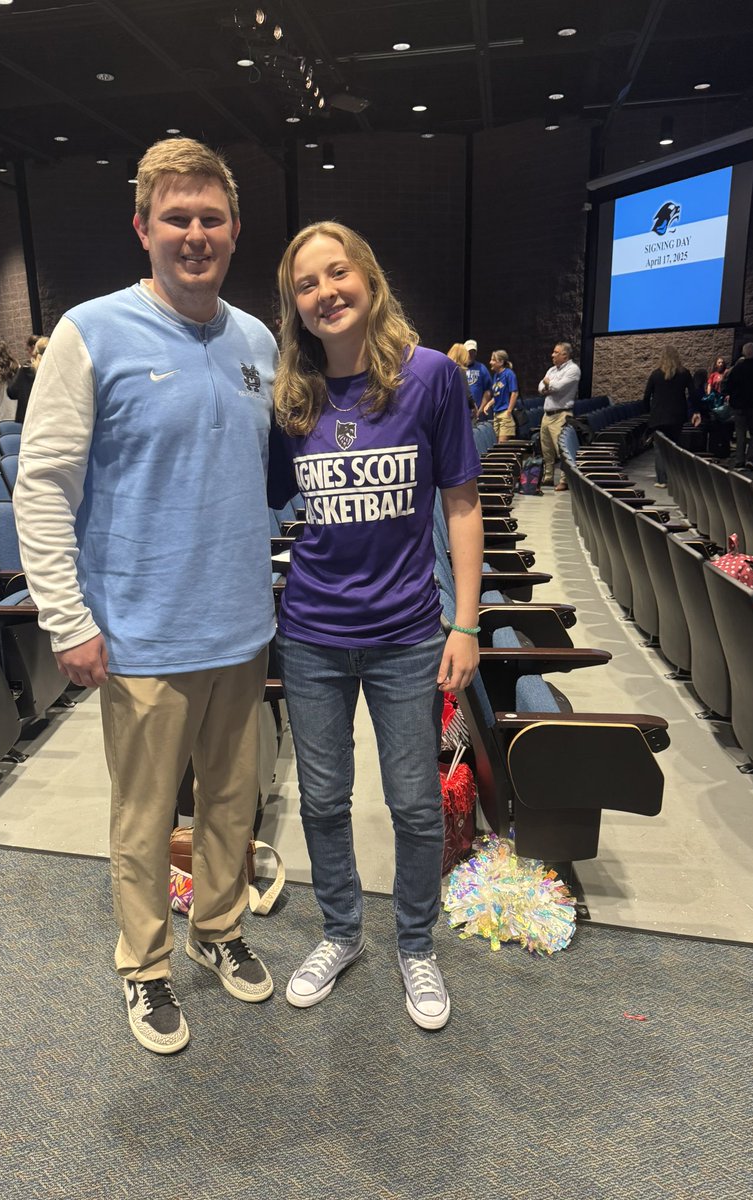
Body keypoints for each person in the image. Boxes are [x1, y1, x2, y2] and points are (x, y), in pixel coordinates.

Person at [13, 136, 279, 1055]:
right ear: (143, 229)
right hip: (140, 633)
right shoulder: (91, 332)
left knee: (233, 804)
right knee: (144, 816)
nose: (194, 234)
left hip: (241, 627)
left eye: (211, 218)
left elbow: (262, 479)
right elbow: (42, 486)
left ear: (234, 230)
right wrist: (67, 619)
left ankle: (219, 929)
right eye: (176, 218)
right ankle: (147, 964)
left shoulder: (257, 341)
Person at [269, 221, 483, 1030]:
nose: (325, 292)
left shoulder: (431, 377)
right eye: (306, 284)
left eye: (337, 273)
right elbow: (253, 494)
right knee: (323, 800)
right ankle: (340, 932)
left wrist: (466, 622)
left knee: (415, 804)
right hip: (312, 633)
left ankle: (416, 945)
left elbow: (462, 506)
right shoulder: (293, 397)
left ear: (369, 277)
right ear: (294, 304)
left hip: (408, 634)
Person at [643, 346, 699, 487]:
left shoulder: (655, 374)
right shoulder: (684, 374)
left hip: (658, 416)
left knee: (659, 448)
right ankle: (673, 477)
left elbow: (646, 397)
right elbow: (693, 394)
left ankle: (662, 479)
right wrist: (696, 411)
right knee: (673, 446)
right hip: (677, 416)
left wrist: (649, 412)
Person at [538, 341, 581, 491]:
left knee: (561, 450)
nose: (552, 355)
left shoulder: (573, 369)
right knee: (546, 449)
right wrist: (547, 386)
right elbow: (540, 387)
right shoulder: (551, 370)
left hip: (561, 415)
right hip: (547, 415)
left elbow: (558, 387)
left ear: (565, 355)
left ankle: (564, 480)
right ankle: (548, 477)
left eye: (556, 352)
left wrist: (548, 385)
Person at [724, 342, 753, 471]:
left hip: (739, 404)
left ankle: (739, 460)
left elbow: (728, 385)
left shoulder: (737, 368)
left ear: (743, 353)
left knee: (740, 433)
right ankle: (751, 458)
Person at [7, 335, 48, 424]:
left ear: (33, 348)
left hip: (29, 418)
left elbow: (11, 392)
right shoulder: (54, 369)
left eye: (27, 349)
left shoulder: (25, 369)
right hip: (48, 416)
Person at [484, 349, 519, 442]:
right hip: (496, 413)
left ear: (501, 362)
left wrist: (509, 411)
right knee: (496, 444)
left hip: (505, 413)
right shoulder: (496, 375)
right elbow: (497, 394)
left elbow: (514, 393)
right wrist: (488, 404)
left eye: (493, 360)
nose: (490, 362)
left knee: (502, 445)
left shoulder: (509, 374)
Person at [463, 339, 491, 422]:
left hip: (477, 413)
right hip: (461, 413)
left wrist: (480, 410)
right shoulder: (458, 368)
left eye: (472, 352)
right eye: (468, 352)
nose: (470, 354)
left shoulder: (482, 368)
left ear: (475, 353)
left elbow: (488, 391)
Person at [446, 343, 476, 418]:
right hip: (457, 413)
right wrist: (473, 406)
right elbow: (467, 395)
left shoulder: (443, 369)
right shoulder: (459, 370)